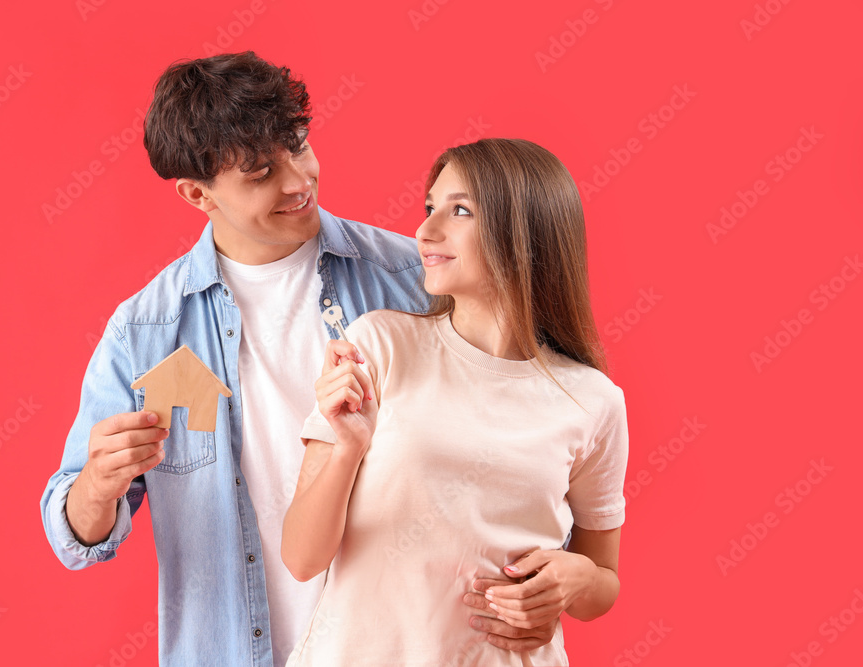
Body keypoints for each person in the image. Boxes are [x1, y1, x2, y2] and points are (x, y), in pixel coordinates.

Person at [39, 53, 554, 666]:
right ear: (196, 193)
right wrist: (99, 484)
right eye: (260, 173)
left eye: (299, 146)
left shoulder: (411, 282)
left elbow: (527, 444)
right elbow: (73, 536)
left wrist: (555, 577)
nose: (297, 180)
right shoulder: (147, 332)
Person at [282, 138, 629, 666]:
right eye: (430, 208)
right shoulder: (380, 345)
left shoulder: (592, 400)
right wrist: (349, 447)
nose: (425, 230)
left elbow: (602, 585)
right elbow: (302, 558)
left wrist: (579, 578)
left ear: (527, 231)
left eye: (459, 210)